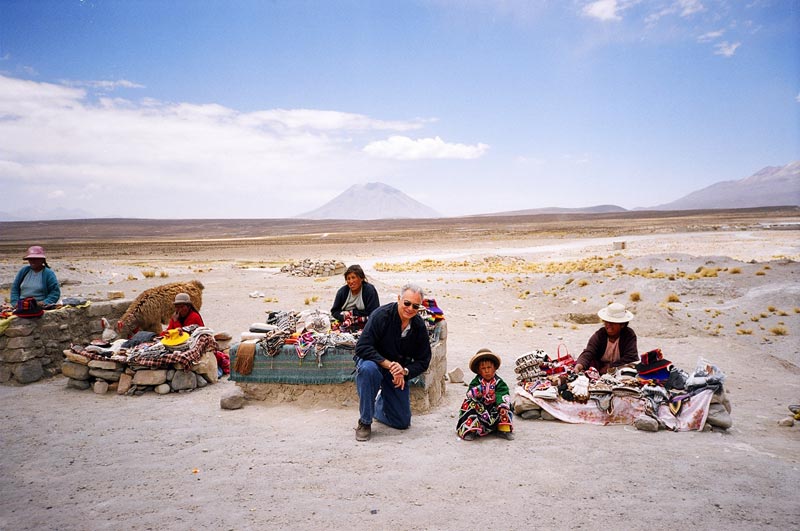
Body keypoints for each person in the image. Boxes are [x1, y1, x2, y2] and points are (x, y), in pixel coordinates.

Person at [353, 283, 432, 441]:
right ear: (399, 299)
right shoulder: (381, 315)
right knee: (368, 370)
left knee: (402, 421)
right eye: (407, 303)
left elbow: (424, 360)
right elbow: (362, 347)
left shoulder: (418, 326)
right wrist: (389, 365)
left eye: (415, 306)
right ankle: (365, 421)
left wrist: (404, 371)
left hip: (397, 371)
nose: (410, 309)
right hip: (374, 362)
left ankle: (378, 405)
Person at [456, 348, 514, 441]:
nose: (487, 371)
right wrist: (475, 394)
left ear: (495, 368)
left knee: (506, 406)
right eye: (483, 368)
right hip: (480, 410)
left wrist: (501, 405)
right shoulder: (476, 381)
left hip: (495, 408)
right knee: (469, 404)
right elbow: (469, 393)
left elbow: (502, 393)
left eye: (489, 368)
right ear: (479, 371)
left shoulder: (499, 382)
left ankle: (503, 430)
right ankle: (471, 430)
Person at [574, 302, 639, 373]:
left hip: (619, 368)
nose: (608, 325)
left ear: (622, 325)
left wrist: (610, 367)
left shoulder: (628, 335)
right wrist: (580, 364)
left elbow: (631, 357)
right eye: (607, 322)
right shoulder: (600, 334)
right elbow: (589, 352)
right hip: (599, 367)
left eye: (613, 322)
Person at [330, 264, 380, 330]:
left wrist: (352, 313)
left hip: (366, 323)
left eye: (353, 277)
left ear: (361, 278)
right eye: (348, 279)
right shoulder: (342, 292)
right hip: (346, 323)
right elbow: (334, 311)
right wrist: (345, 317)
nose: (351, 281)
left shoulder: (369, 291)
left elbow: (374, 312)